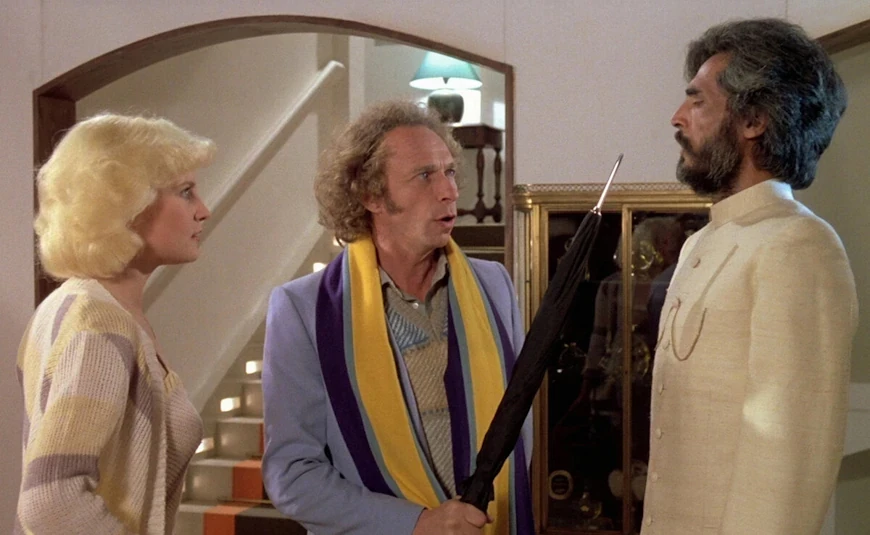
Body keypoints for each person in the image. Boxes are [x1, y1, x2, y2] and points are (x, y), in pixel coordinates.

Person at [261, 100, 533, 535]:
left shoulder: (493, 286)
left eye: (448, 172)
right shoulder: (303, 310)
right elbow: (292, 474)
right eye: (424, 176)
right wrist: (416, 523)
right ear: (371, 196)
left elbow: (519, 427)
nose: (448, 191)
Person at [642, 18, 857, 535]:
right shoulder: (700, 242)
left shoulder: (799, 245)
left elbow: (786, 468)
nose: (677, 117)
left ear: (754, 120)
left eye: (697, 101)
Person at [15, 113, 215, 534]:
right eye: (185, 192)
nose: (204, 210)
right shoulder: (97, 322)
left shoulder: (76, 307)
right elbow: (51, 501)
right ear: (127, 207)